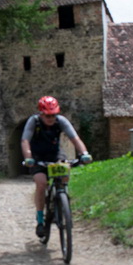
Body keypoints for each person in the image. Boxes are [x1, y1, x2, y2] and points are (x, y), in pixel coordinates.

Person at [21, 96, 92, 237]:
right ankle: (40, 219)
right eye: (48, 116)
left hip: (55, 154)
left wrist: (84, 153)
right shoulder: (34, 121)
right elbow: (25, 140)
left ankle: (61, 199)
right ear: (41, 114)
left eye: (53, 115)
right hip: (37, 156)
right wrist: (28, 157)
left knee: (64, 171)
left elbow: (75, 138)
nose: (51, 119)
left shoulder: (61, 121)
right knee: (41, 183)